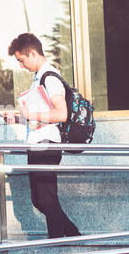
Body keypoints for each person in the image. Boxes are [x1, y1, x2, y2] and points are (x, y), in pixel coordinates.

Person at [6, 33, 80, 238]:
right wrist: (18, 120)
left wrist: (29, 114)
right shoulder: (39, 78)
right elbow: (41, 117)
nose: (21, 65)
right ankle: (73, 234)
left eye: (21, 60)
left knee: (46, 199)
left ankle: (56, 243)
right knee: (39, 200)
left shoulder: (50, 77)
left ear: (32, 53)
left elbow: (61, 114)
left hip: (47, 144)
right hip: (38, 143)